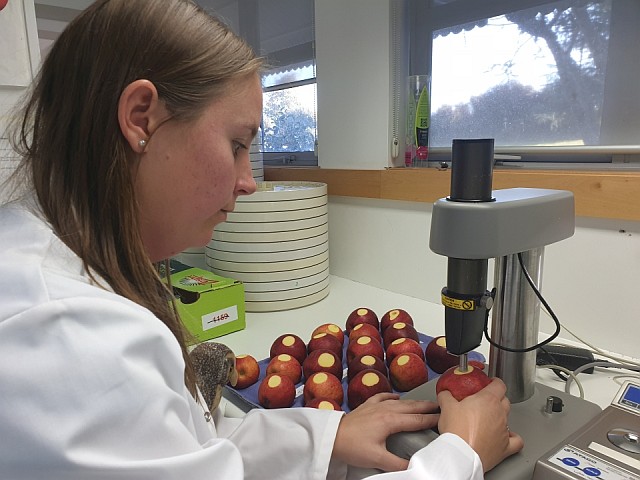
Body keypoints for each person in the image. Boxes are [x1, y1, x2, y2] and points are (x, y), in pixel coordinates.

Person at [0, 1, 523, 479]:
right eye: (236, 144)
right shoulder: (68, 336)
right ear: (142, 118)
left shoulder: (61, 267)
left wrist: (325, 436)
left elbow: (186, 449)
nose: (249, 180)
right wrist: (460, 456)